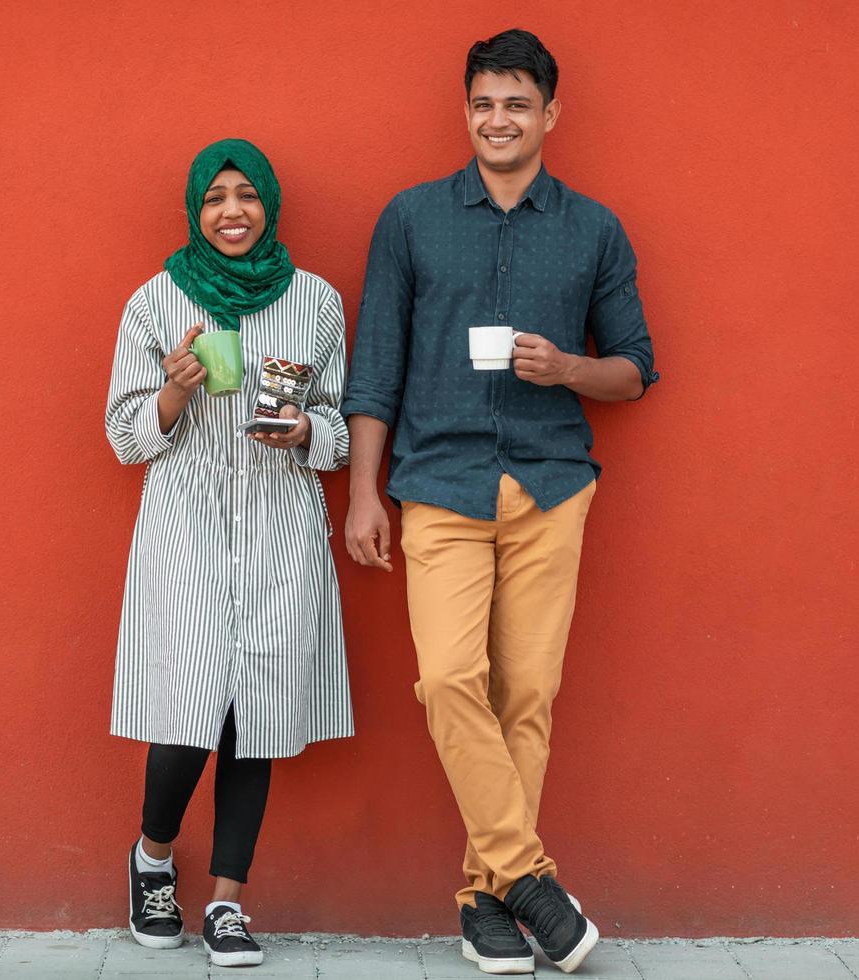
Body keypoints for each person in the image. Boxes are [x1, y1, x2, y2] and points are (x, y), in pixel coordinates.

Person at [342, 29, 659, 977]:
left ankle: (484, 900)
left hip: (552, 483)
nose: (498, 119)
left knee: (528, 694)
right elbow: (374, 369)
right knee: (448, 681)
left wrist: (566, 368)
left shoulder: (595, 229)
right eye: (483, 102)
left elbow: (637, 368)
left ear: (550, 114)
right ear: (466, 111)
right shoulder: (410, 219)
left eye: (517, 103)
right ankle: (529, 880)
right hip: (437, 484)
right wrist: (364, 492)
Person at [104, 138, 353, 969]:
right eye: (215, 198)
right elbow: (123, 436)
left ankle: (227, 905)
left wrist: (306, 430)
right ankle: (153, 855)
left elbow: (341, 430)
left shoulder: (315, 301)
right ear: (195, 210)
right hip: (188, 519)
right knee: (188, 703)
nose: (232, 211)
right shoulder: (154, 300)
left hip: (281, 519)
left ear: (270, 204)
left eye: (247, 195)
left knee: (259, 712)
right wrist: (174, 390)